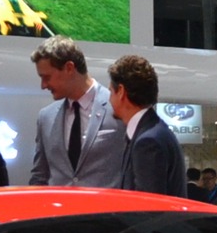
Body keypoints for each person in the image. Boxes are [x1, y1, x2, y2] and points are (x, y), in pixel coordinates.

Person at [28, 37, 122, 187]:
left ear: (69, 68)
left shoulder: (118, 107)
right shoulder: (46, 117)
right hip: (59, 203)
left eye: (47, 77)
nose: (43, 85)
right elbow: (40, 175)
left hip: (107, 202)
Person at [107, 54, 187, 196]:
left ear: (121, 92)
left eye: (111, 92)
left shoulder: (148, 142)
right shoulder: (152, 132)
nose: (109, 99)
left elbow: (148, 207)